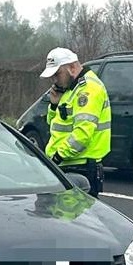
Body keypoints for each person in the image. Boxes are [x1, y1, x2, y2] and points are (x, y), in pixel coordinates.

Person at [39, 47, 110, 197]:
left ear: (72, 68)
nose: (54, 80)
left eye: (57, 74)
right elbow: (53, 124)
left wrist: (56, 158)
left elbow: (82, 135)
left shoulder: (88, 90)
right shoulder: (70, 89)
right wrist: (54, 105)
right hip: (68, 165)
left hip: (80, 167)